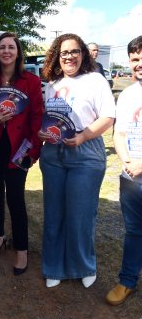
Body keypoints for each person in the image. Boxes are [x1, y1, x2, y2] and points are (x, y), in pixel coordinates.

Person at [39, 33, 115, 288]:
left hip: (86, 152)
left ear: (82, 54)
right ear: (56, 58)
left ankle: (83, 265)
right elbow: (45, 118)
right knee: (54, 213)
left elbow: (107, 117)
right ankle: (54, 267)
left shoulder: (95, 80)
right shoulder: (52, 84)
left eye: (74, 51)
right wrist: (41, 131)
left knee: (81, 213)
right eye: (64, 53)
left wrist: (83, 137)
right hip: (53, 153)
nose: (69, 56)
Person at [0, 31, 44, 275]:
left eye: (11, 47)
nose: (6, 51)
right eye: (2, 47)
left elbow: (37, 118)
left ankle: (22, 250)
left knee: (16, 199)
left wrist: (33, 151)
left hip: (18, 150)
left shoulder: (31, 82)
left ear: (17, 52)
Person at [106, 36, 142, 305]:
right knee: (133, 231)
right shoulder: (128, 94)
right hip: (132, 175)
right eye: (135, 58)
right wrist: (128, 162)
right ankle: (128, 281)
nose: (139, 63)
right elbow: (118, 134)